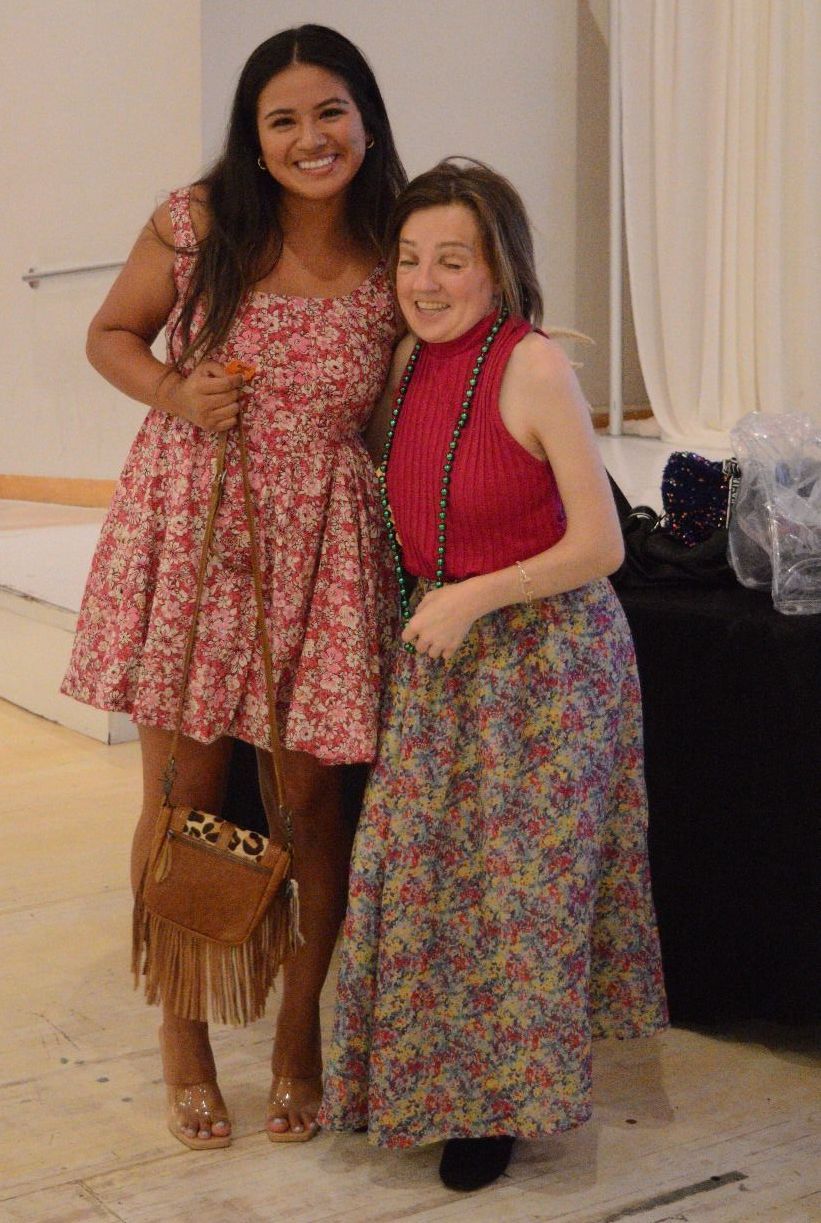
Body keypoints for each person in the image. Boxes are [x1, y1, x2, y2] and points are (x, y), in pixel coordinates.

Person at [61, 24, 405, 1149]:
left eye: (330, 112)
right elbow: (110, 332)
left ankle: (300, 1034)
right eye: (283, 119)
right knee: (185, 798)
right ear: (253, 139)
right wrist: (174, 389)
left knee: (312, 806)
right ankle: (186, 1036)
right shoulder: (199, 221)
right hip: (196, 531)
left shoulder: (395, 241)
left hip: (324, 550)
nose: (311, 138)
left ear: (366, 120)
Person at [319, 159, 669, 1191]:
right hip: (443, 656)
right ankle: (423, 1087)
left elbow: (601, 544)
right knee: (423, 881)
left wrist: (472, 596)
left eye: (451, 261)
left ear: (497, 267)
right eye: (408, 260)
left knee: (516, 899)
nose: (424, 282)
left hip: (544, 660)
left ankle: (500, 1107)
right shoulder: (406, 360)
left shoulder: (533, 367)